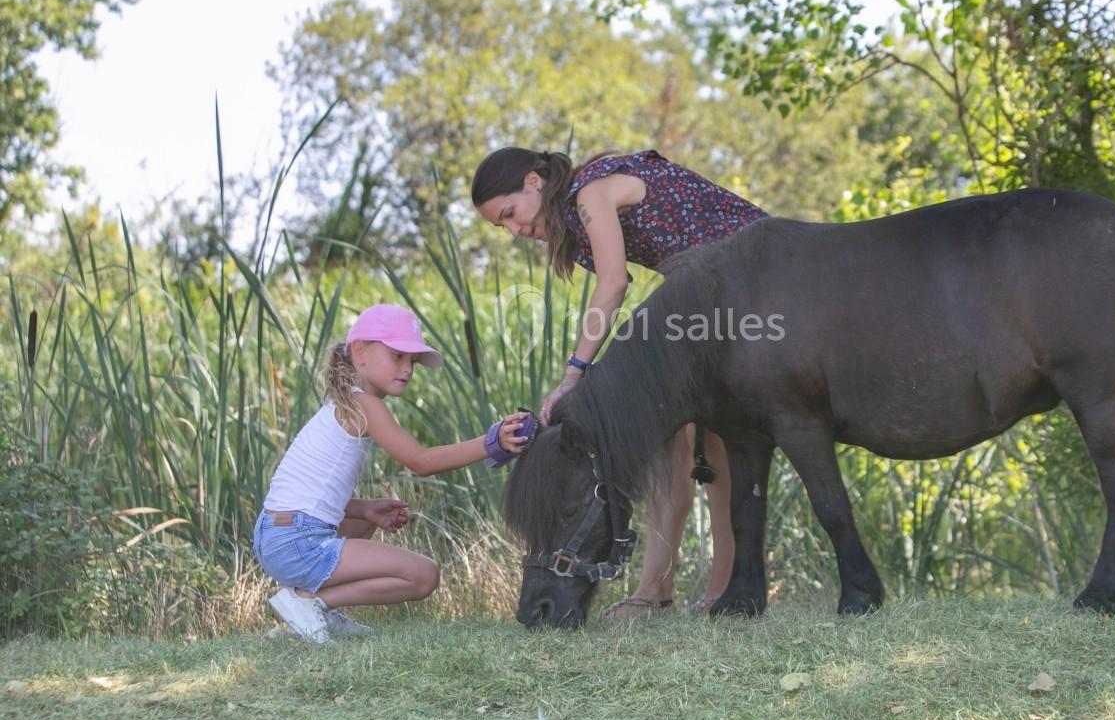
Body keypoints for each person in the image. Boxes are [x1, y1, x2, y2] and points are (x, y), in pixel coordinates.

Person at [472, 148, 768, 617]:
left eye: (509, 214)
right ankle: (654, 592)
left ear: (532, 182)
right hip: (710, 290)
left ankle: (721, 589)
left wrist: (574, 373)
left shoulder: (590, 193)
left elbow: (613, 283)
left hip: (753, 280)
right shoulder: (578, 215)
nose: (514, 231)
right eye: (501, 226)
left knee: (708, 444)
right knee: (672, 441)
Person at [254, 303, 530, 643]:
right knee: (423, 575)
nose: (408, 369)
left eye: (412, 361)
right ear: (360, 352)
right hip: (297, 541)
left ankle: (309, 607)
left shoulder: (343, 404)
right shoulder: (365, 404)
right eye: (397, 356)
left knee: (367, 523)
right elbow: (420, 461)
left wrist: (365, 510)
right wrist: (491, 442)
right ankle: (311, 603)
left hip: (276, 534)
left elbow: (304, 494)